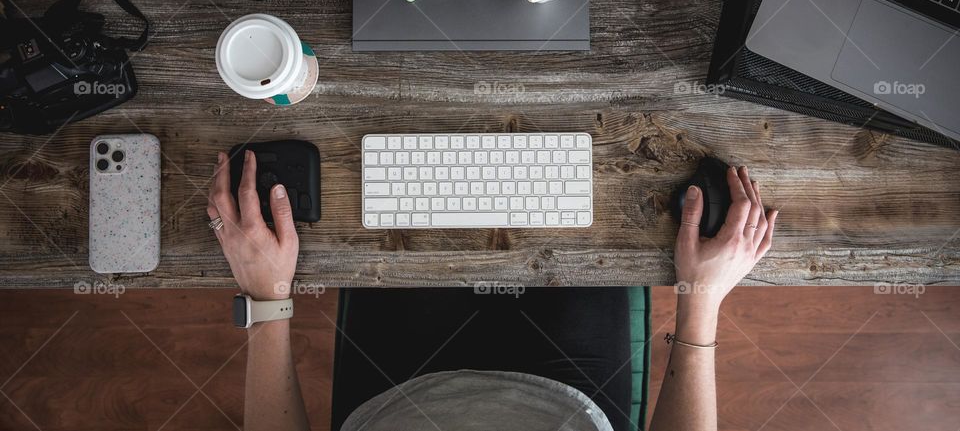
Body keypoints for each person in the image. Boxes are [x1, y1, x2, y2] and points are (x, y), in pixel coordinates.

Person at [207, 150, 779, 431]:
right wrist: (700, 299)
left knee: (403, 196)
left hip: (400, 386)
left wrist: (267, 294)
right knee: (597, 199)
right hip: (569, 394)